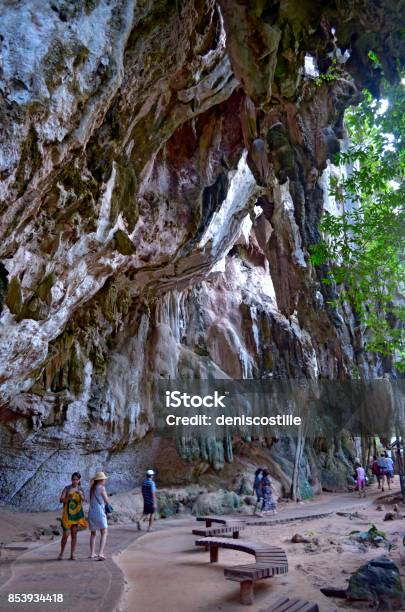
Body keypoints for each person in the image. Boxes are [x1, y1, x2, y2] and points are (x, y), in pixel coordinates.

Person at [58, 472, 87, 560]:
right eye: (73, 479)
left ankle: (72, 554)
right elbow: (61, 500)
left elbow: (83, 500)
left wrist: (81, 494)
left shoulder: (80, 489)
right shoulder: (67, 488)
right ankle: (61, 553)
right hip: (67, 515)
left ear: (79, 480)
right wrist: (68, 498)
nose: (75, 481)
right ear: (71, 480)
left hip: (76, 515)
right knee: (66, 534)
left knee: (74, 534)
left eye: (76, 480)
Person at [88, 471, 110, 560]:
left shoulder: (92, 488)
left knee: (93, 533)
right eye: (104, 479)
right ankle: (101, 553)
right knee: (104, 532)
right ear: (100, 480)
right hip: (99, 512)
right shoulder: (101, 488)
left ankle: (92, 553)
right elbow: (107, 501)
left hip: (91, 512)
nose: (105, 480)